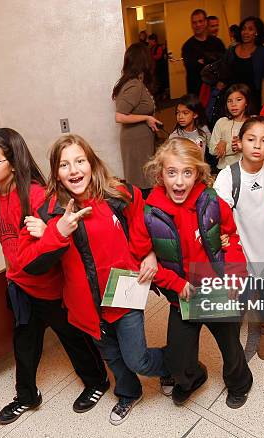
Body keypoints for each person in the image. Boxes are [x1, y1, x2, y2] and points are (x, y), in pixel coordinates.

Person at [18, 134, 168, 426]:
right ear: (56, 173)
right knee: (112, 357)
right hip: (85, 303)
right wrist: (57, 231)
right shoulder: (48, 211)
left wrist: (149, 253)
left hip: (123, 291)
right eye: (64, 165)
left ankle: (173, 366)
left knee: (137, 358)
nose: (73, 170)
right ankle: (128, 392)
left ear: (91, 163)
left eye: (79, 161)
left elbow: (142, 221)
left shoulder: (117, 193)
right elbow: (30, 264)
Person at [0, 128, 109, 425]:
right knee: (24, 341)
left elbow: (56, 243)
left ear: (12, 162)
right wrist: (12, 277)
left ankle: (97, 381)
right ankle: (26, 395)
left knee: (72, 337)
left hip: (50, 287)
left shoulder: (37, 195)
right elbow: (5, 241)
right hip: (20, 284)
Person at [133, 137, 253, 408]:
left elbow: (231, 237)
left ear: (198, 173)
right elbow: (141, 258)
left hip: (215, 289)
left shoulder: (211, 201)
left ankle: (239, 383)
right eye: (171, 172)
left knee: (231, 346)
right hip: (182, 296)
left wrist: (235, 275)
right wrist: (174, 283)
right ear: (160, 174)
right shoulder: (149, 213)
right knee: (178, 358)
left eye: (187, 173)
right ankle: (193, 378)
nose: (179, 182)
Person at [213, 116, 264, 360]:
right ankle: (234, 323)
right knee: (241, 294)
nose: (257, 146)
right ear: (240, 142)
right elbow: (218, 213)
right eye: (251, 139)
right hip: (245, 252)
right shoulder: (228, 177)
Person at [113, 43, 162, 189]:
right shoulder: (135, 85)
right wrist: (146, 118)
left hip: (139, 140)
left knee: (144, 180)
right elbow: (120, 116)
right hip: (136, 141)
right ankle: (143, 210)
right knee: (141, 182)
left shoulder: (136, 83)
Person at [217, 16, 264, 115]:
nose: (246, 32)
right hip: (232, 99)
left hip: (252, 100)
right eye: (243, 29)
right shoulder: (231, 50)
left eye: (250, 29)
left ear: (257, 32)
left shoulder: (263, 52)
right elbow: (223, 73)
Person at [182, 9, 226, 95]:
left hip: (216, 90)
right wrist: (211, 61)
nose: (197, 25)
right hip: (196, 91)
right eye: (194, 22)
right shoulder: (187, 46)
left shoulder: (217, 42)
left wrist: (203, 61)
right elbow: (192, 68)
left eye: (200, 21)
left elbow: (224, 66)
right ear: (191, 25)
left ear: (206, 22)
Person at [208, 83, 250, 169]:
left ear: (246, 102)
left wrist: (227, 145)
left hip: (246, 170)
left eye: (238, 100)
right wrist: (232, 147)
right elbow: (212, 149)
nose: (233, 104)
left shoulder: (252, 123)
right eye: (229, 101)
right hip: (223, 169)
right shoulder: (222, 122)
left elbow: (257, 147)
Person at [169, 94, 211, 158]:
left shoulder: (203, 129)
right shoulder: (174, 136)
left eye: (185, 113)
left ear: (195, 115)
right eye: (178, 112)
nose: (180, 117)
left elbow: (213, 149)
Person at [149, 33, 169, 100]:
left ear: (153, 40)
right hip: (155, 67)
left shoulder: (159, 47)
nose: (149, 42)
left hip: (160, 67)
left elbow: (159, 56)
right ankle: (159, 94)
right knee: (157, 81)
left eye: (150, 40)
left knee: (161, 81)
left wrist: (150, 57)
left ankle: (163, 94)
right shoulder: (152, 47)